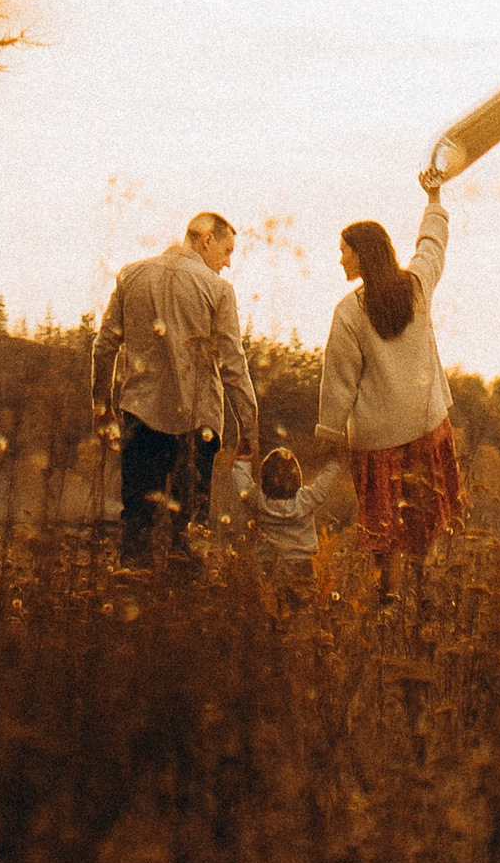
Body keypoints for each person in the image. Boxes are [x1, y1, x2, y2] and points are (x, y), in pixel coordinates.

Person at [316, 185, 464, 599]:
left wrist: (328, 431)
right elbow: (432, 244)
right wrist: (434, 199)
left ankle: (389, 611)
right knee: (427, 525)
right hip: (426, 426)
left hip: (378, 441)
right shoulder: (416, 286)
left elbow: (340, 378)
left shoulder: (349, 311)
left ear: (363, 254)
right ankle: (427, 604)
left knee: (388, 537)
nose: (341, 258)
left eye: (345, 251)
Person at [92, 209, 259, 560]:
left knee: (136, 524)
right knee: (188, 531)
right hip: (198, 425)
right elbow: (233, 364)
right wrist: (249, 427)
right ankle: (182, 605)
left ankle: (133, 588)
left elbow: (105, 344)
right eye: (226, 251)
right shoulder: (218, 290)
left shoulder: (131, 276)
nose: (228, 263)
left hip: (140, 415)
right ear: (206, 239)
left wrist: (102, 406)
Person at [232, 441, 341, 594]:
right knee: (302, 605)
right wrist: (332, 461)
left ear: (264, 478)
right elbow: (324, 484)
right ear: (297, 477)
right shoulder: (305, 501)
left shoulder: (258, 500)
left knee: (271, 604)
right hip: (303, 565)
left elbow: (243, 486)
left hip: (268, 564)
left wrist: (242, 460)